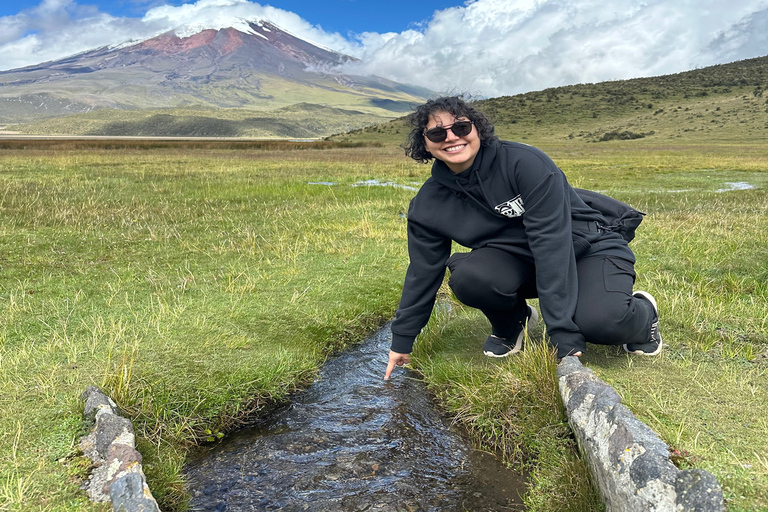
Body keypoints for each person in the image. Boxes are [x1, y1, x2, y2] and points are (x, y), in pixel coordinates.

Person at [384, 96, 661, 380]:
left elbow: (551, 243)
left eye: (461, 128)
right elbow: (423, 272)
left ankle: (644, 315)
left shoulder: (524, 163)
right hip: (519, 259)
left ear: (477, 129)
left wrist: (561, 332)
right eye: (437, 133)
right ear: (425, 143)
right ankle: (513, 323)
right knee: (470, 277)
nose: (452, 138)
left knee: (600, 323)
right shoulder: (429, 203)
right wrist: (402, 339)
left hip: (587, 247)